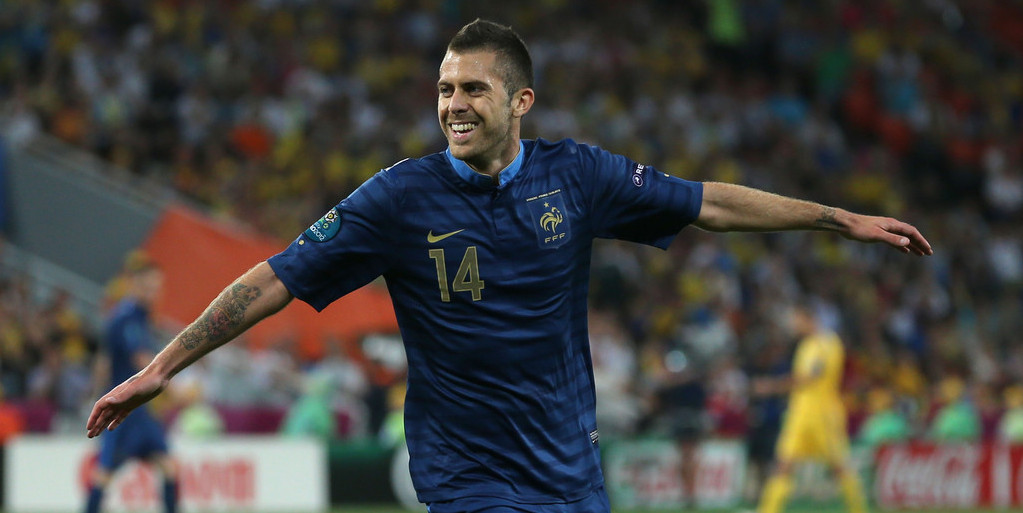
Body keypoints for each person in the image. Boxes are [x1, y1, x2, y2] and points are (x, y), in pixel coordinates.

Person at [87, 19, 931, 513]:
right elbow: (273, 278)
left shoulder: (580, 176)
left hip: (570, 468)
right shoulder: (398, 197)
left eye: (473, 90)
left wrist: (838, 219)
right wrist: (160, 367)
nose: (453, 105)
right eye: (445, 90)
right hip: (466, 472)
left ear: (520, 100)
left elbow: (705, 201)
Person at [85, 251, 177, 513]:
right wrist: (176, 389)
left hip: (140, 410)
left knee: (169, 468)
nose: (154, 293)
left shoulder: (137, 316)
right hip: (123, 411)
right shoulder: (128, 317)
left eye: (157, 288)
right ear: (135, 284)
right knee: (104, 474)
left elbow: (104, 361)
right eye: (149, 287)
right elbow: (143, 362)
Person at [754, 302, 868, 513]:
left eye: (795, 320)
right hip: (800, 415)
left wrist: (772, 386)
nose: (792, 325)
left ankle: (859, 510)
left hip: (823, 415)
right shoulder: (806, 345)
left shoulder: (827, 343)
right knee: (783, 464)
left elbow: (811, 377)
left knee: (839, 466)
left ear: (808, 318)